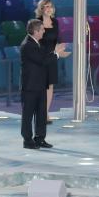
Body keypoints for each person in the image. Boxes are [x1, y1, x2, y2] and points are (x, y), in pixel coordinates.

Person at [20, 19, 68, 150]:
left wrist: (55, 52)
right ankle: (27, 140)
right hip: (30, 86)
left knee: (41, 113)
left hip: (40, 84)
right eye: (41, 29)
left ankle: (40, 138)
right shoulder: (27, 45)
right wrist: (57, 54)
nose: (44, 31)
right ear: (35, 31)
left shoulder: (37, 43)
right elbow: (42, 61)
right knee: (28, 115)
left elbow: (45, 57)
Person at [34, 0, 59, 124]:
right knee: (41, 86)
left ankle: (45, 113)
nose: (49, 9)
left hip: (52, 56)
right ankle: (39, 113)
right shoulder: (37, 22)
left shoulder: (55, 22)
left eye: (50, 6)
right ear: (41, 9)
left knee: (50, 86)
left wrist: (58, 51)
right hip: (40, 57)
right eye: (46, 6)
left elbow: (56, 40)